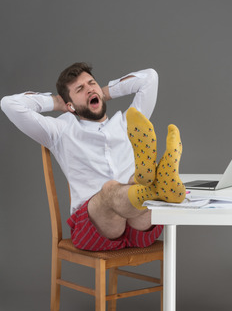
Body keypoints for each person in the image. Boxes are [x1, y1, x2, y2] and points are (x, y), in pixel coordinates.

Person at [1, 63, 185, 252]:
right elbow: (9, 104)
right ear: (70, 105)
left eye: (92, 83)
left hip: (139, 228)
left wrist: (103, 92)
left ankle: (148, 187)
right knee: (110, 188)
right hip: (94, 229)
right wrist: (57, 102)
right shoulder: (61, 131)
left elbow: (150, 78)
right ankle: (155, 187)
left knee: (134, 180)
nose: (89, 89)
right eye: (80, 89)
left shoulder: (128, 123)